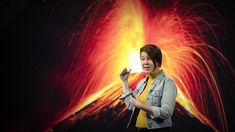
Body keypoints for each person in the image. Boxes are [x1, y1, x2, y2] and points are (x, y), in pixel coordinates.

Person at [119, 44, 177, 132]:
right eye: (142, 59)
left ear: (157, 61)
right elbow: (131, 105)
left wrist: (141, 106)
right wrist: (125, 81)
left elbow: (166, 112)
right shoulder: (142, 83)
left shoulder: (167, 83)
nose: (145, 62)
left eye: (149, 58)